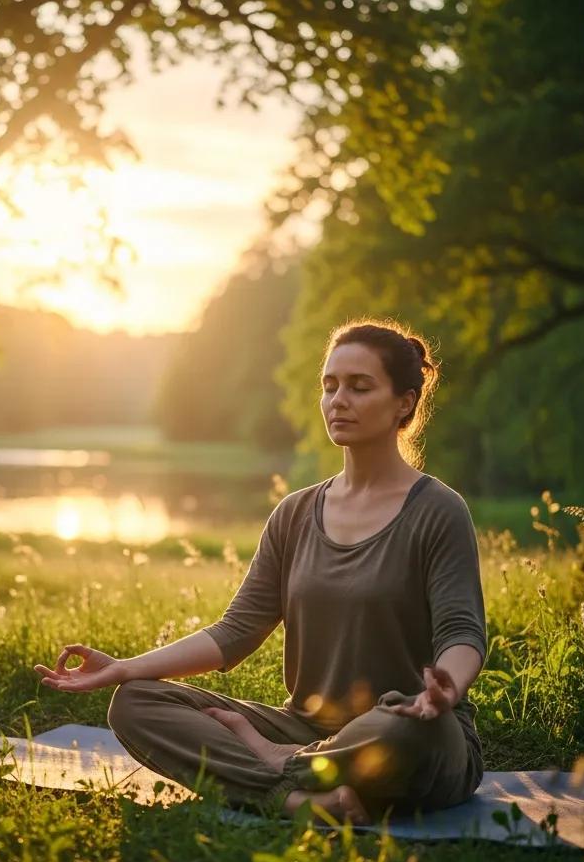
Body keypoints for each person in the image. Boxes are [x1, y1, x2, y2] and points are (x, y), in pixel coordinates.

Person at [33, 320, 487, 827]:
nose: (338, 400)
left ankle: (278, 768)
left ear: (404, 403)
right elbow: (235, 631)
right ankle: (298, 800)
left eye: (360, 387)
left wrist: (443, 692)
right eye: (330, 385)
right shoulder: (295, 513)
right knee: (136, 702)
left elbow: (462, 633)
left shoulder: (438, 510)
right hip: (303, 725)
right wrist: (124, 668)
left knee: (405, 732)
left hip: (407, 727)